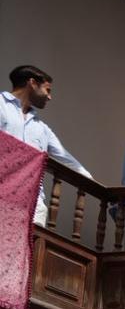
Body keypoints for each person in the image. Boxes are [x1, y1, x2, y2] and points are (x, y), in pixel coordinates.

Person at [2, 64, 93, 225]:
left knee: (30, 249)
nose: (49, 97)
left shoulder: (42, 129)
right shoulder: (1, 105)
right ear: (32, 83)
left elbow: (66, 159)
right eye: (47, 90)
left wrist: (92, 183)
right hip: (3, 190)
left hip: (33, 202)